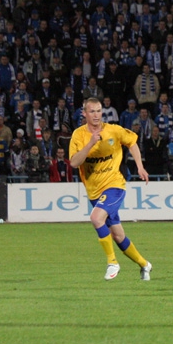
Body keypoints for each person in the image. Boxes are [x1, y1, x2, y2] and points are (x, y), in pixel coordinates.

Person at [68, 97, 153, 281]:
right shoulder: (78, 135)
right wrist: (90, 143)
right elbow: (74, 163)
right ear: (84, 114)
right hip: (94, 191)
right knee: (118, 236)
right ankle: (145, 265)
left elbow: (132, 142)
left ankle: (112, 262)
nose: (97, 115)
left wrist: (139, 166)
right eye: (92, 111)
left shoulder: (113, 130)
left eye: (99, 111)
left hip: (114, 185)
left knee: (96, 218)